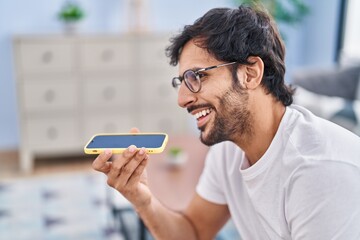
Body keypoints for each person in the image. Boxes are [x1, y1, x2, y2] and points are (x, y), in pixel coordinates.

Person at [92, 4, 360, 239]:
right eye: (182, 82)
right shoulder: (229, 150)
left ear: (251, 74)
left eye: (197, 77)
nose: (182, 99)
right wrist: (141, 198)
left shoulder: (320, 172)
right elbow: (193, 233)